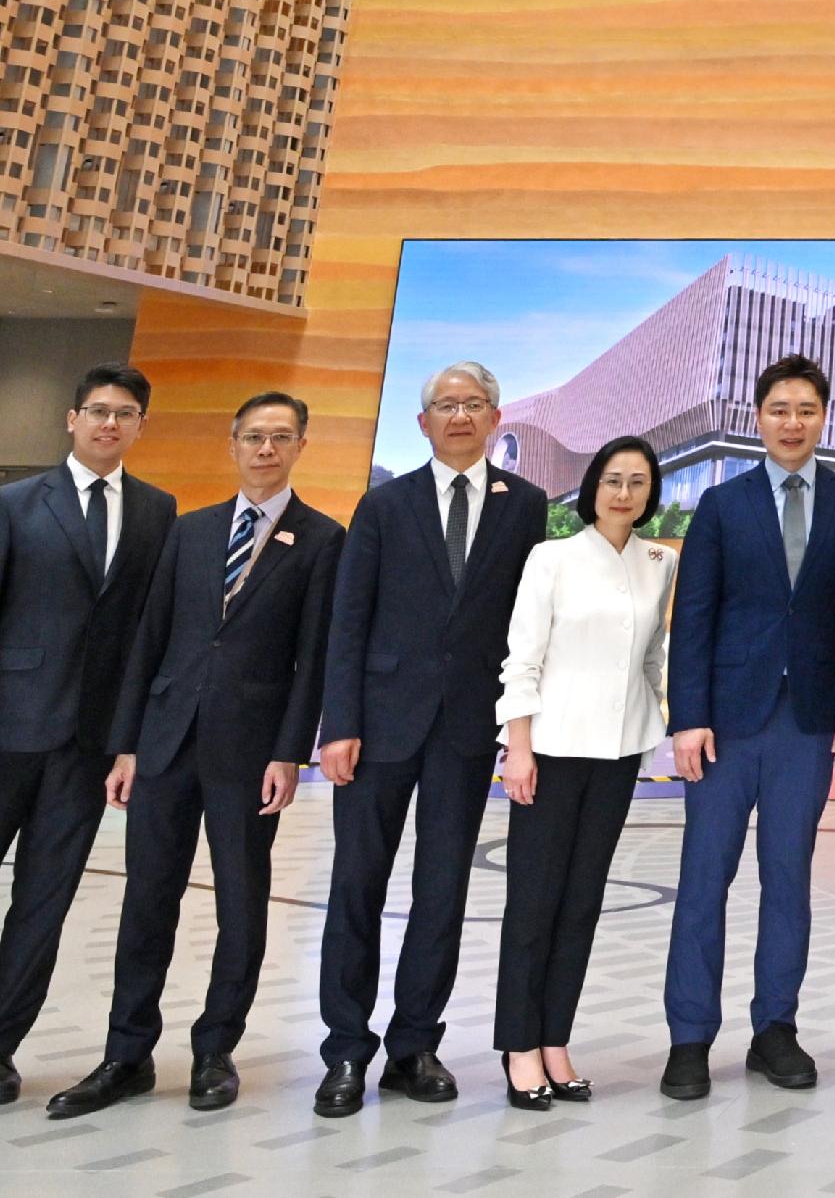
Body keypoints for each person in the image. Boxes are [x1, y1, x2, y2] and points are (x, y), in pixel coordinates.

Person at [0, 364, 176, 1118]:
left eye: (125, 413)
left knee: (42, 909)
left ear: (140, 426)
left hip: (85, 749)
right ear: (72, 418)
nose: (110, 423)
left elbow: (145, 637)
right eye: (98, 411)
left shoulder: (157, 511)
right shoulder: (14, 504)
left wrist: (129, 742)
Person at [50, 388, 343, 1118]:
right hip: (164, 742)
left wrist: (290, 752)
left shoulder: (322, 539)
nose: (265, 449)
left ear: (301, 446)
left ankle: (215, 1048)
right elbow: (149, 638)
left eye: (280, 437)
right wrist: (126, 743)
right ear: (233, 443)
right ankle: (126, 1053)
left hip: (252, 752)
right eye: (253, 436)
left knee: (241, 903)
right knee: (147, 899)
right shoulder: (192, 529)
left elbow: (315, 659)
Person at [313, 362, 548, 1117]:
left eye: (473, 403)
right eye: (445, 405)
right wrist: (339, 724)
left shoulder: (527, 505)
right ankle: (345, 1048)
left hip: (467, 726)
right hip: (378, 725)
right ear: (423, 423)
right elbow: (348, 618)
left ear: (496, 417)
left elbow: (527, 623)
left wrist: (518, 727)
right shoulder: (384, 503)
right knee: (357, 884)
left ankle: (414, 1044)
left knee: (442, 891)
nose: (459, 415)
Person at [663, 354, 835, 1099]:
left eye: (806, 410)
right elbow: (692, 616)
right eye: (779, 409)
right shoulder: (722, 503)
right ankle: (690, 1036)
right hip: (725, 720)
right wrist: (688, 718)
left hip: (808, 719)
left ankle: (775, 1029)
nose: (792, 422)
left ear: (824, 418)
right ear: (759, 417)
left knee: (788, 878)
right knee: (704, 878)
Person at [495, 434, 677, 1108]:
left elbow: (653, 656)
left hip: (620, 754)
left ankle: (555, 1041)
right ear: (593, 485)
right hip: (552, 750)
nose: (623, 492)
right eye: (612, 479)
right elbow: (523, 657)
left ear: (650, 493)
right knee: (533, 902)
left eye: (637, 481)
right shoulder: (552, 558)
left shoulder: (659, 562)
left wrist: (662, 717)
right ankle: (519, 1046)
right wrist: (518, 746)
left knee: (581, 903)